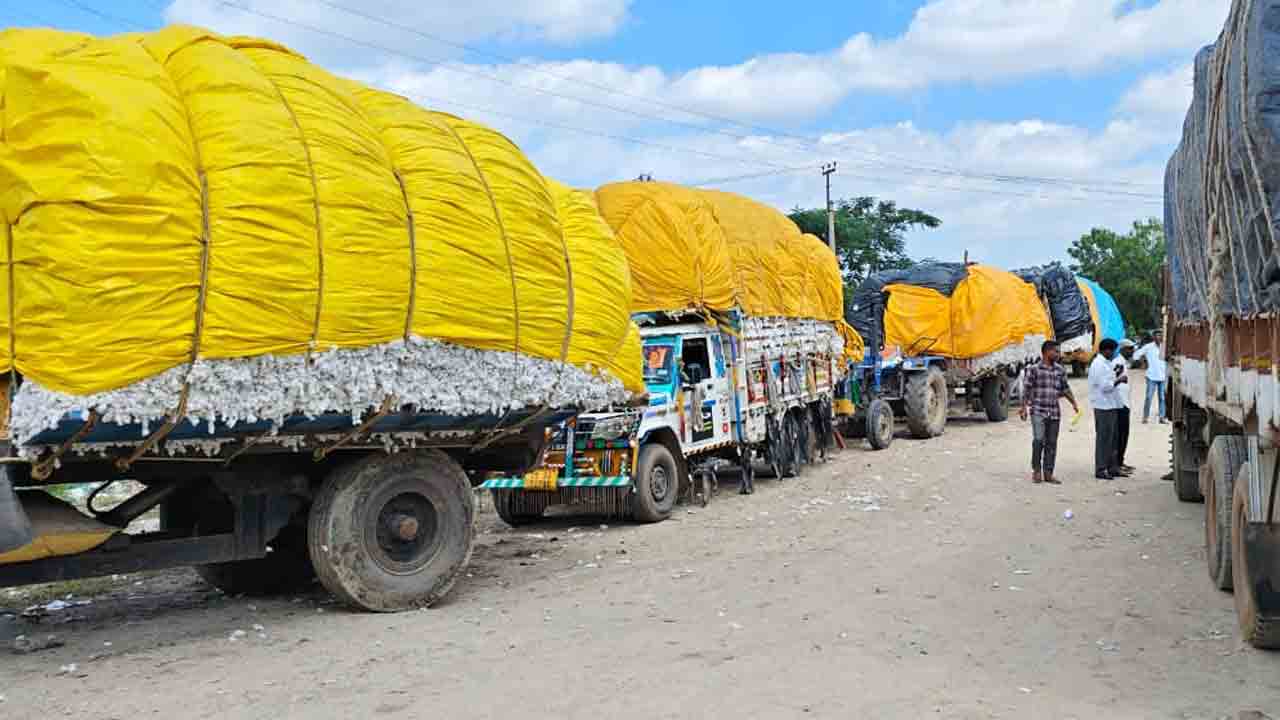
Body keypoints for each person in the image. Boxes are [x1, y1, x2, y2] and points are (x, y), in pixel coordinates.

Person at [1020, 340, 1079, 484]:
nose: (1058, 354)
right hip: (1038, 410)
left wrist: (1074, 403)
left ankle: (1048, 473)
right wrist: (1023, 408)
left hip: (1054, 411)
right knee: (1038, 440)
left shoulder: (1060, 370)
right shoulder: (1033, 369)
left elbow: (1065, 388)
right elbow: (1026, 389)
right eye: (1056, 351)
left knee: (1052, 443)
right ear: (1046, 352)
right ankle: (1036, 470)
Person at [1088, 339, 1127, 480]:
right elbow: (1105, 387)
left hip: (1111, 404)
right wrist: (1119, 380)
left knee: (1113, 438)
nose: (1114, 354)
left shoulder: (1106, 363)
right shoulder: (1098, 364)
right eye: (1113, 351)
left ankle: (1112, 467)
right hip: (1103, 406)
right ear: (1107, 350)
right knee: (1104, 439)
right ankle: (1101, 469)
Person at [1135, 330, 1168, 423]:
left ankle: (1162, 417)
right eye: (1156, 335)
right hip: (1151, 377)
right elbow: (1137, 355)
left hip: (1163, 376)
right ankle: (1145, 417)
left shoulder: (1165, 347)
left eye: (1160, 335)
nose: (1158, 337)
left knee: (1162, 398)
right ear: (1153, 337)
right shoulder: (1148, 347)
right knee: (1149, 397)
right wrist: (1142, 361)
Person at [1113, 341, 1134, 476]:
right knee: (1120, 435)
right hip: (1120, 404)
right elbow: (1114, 381)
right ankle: (1117, 463)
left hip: (1124, 402)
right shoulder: (1118, 362)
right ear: (1123, 349)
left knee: (1124, 435)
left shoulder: (1123, 362)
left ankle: (1120, 461)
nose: (1132, 351)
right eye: (1130, 349)